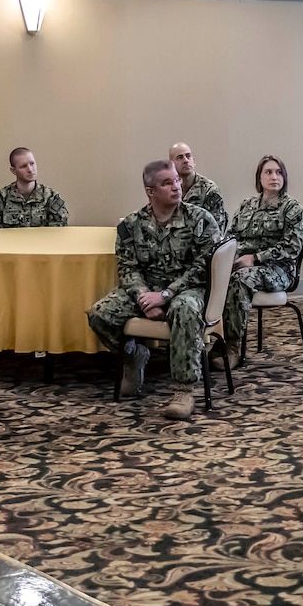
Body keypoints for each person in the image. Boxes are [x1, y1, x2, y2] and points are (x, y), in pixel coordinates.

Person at [87, 160, 221, 420]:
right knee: (100, 314)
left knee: (185, 310)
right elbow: (128, 268)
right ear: (150, 191)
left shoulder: (201, 220)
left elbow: (203, 268)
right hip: (147, 290)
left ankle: (184, 390)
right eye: (167, 182)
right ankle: (134, 355)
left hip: (187, 289)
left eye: (177, 180)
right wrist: (143, 297)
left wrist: (166, 295)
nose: (176, 186)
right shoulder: (131, 225)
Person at [223, 155, 303, 361]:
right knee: (209, 275)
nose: (274, 177)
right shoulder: (246, 206)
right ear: (259, 178)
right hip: (243, 263)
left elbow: (291, 248)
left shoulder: (292, 209)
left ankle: (232, 347)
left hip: (278, 270)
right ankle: (207, 340)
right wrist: (227, 260)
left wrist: (256, 258)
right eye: (268, 172)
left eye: (279, 172)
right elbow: (230, 238)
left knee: (240, 280)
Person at [0, 147, 70, 228]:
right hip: (11, 244)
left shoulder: (51, 198)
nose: (30, 169)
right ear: (13, 171)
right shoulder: (0, 200)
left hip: (43, 244)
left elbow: (58, 233)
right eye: (23, 166)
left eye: (32, 164)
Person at [170, 141, 227, 231]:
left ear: (194, 161)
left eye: (188, 156)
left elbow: (217, 231)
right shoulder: (167, 189)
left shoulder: (209, 190)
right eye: (180, 157)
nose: (185, 160)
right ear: (171, 164)